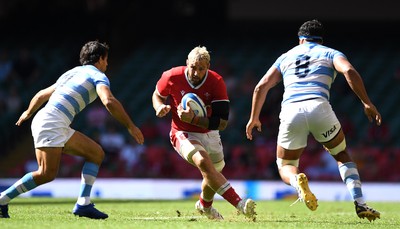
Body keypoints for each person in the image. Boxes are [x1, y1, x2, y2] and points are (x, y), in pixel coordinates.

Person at [245, 19, 381, 222]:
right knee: (341, 154)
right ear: (321, 39)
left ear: (301, 40)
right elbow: (349, 71)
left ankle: (296, 181)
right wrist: (367, 103)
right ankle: (360, 204)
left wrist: (254, 118)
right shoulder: (331, 53)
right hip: (319, 107)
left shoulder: (286, 56)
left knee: (286, 164)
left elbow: (261, 86)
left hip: (291, 111)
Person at [0, 40, 144, 219]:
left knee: (96, 153)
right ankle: (2, 199)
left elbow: (41, 94)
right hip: (52, 122)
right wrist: (131, 126)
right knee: (45, 173)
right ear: (100, 58)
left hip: (52, 121)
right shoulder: (98, 75)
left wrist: (27, 113)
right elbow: (108, 101)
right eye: (106, 59)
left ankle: (83, 204)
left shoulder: (73, 72)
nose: (107, 63)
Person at [152, 46, 256, 221]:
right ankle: (240, 204)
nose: (195, 72)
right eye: (193, 67)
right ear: (187, 63)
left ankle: (204, 205)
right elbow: (157, 94)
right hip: (182, 132)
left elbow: (222, 123)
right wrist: (159, 107)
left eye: (201, 68)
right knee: (203, 162)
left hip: (210, 133)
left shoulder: (216, 82)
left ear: (208, 66)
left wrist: (194, 119)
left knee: (213, 173)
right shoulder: (171, 76)